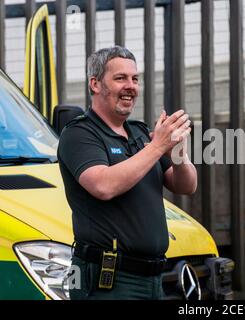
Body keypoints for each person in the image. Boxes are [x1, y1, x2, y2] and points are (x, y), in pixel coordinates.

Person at [57, 46, 197, 300]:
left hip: (155, 278)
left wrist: (177, 153)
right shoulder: (79, 134)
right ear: (95, 84)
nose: (130, 86)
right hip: (109, 280)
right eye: (120, 78)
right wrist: (157, 147)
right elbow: (103, 185)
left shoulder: (139, 132)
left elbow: (186, 185)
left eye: (135, 79)